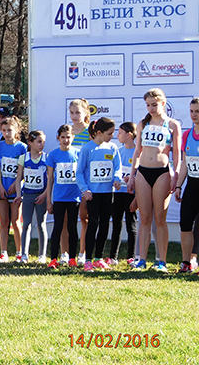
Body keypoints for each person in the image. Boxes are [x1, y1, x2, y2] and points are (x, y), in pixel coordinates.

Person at [128, 89, 181, 272]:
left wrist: (176, 174)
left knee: (159, 219)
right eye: (148, 105)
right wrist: (132, 176)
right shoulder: (142, 124)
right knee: (144, 218)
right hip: (143, 172)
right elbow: (137, 152)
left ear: (163, 103)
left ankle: (161, 261)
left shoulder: (172, 125)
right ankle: (141, 260)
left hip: (162, 173)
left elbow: (177, 153)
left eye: (154, 104)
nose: (151, 108)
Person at [77, 117, 122, 272]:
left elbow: (118, 167)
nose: (112, 137)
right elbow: (79, 171)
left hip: (108, 193)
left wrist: (117, 179)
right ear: (99, 133)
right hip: (93, 194)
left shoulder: (112, 148)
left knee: (104, 225)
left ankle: (98, 258)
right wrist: (85, 189)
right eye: (109, 134)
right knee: (92, 225)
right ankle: (88, 259)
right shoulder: (87, 149)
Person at [46, 125, 80, 268]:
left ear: (73, 137)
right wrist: (49, 200)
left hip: (74, 198)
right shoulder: (53, 155)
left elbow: (82, 175)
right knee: (58, 227)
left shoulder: (78, 154)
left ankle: (72, 258)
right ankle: (53, 258)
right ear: (58, 138)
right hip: (59, 198)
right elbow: (50, 179)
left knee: (72, 227)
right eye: (63, 137)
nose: (66, 140)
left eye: (68, 137)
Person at [0, 116, 27, 263]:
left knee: (15, 221)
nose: (7, 133)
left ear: (16, 130)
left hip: (16, 190)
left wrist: (17, 182)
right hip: (2, 188)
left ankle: (19, 252)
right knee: (3, 221)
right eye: (4, 130)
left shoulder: (22, 147)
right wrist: (0, 186)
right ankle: (3, 252)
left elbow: (25, 168)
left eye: (10, 130)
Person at [16, 130, 49, 264]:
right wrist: (19, 195)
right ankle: (24, 254)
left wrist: (44, 195)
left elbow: (50, 180)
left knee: (41, 225)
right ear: (30, 143)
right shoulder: (24, 158)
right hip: (28, 195)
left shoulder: (47, 158)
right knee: (26, 225)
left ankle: (42, 255)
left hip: (41, 195)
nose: (42, 145)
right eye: (39, 142)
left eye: (43, 142)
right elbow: (18, 179)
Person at [109, 122, 138, 266]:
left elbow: (142, 173)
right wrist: (118, 180)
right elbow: (115, 171)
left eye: (120, 132)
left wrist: (133, 179)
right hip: (118, 193)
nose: (117, 135)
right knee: (116, 224)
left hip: (131, 193)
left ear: (129, 135)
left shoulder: (138, 153)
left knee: (131, 224)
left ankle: (131, 256)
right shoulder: (118, 151)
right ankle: (113, 256)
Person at [175, 98, 199, 272]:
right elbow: (184, 164)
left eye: (197, 111)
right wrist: (178, 186)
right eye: (191, 111)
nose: (194, 115)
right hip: (192, 185)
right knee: (185, 223)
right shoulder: (186, 135)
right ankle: (186, 262)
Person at [69, 98, 91, 265]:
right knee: (67, 220)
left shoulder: (90, 132)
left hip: (84, 181)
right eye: (72, 112)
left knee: (84, 217)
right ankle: (67, 253)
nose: (75, 116)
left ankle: (83, 252)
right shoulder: (67, 131)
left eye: (78, 112)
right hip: (68, 183)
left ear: (85, 113)